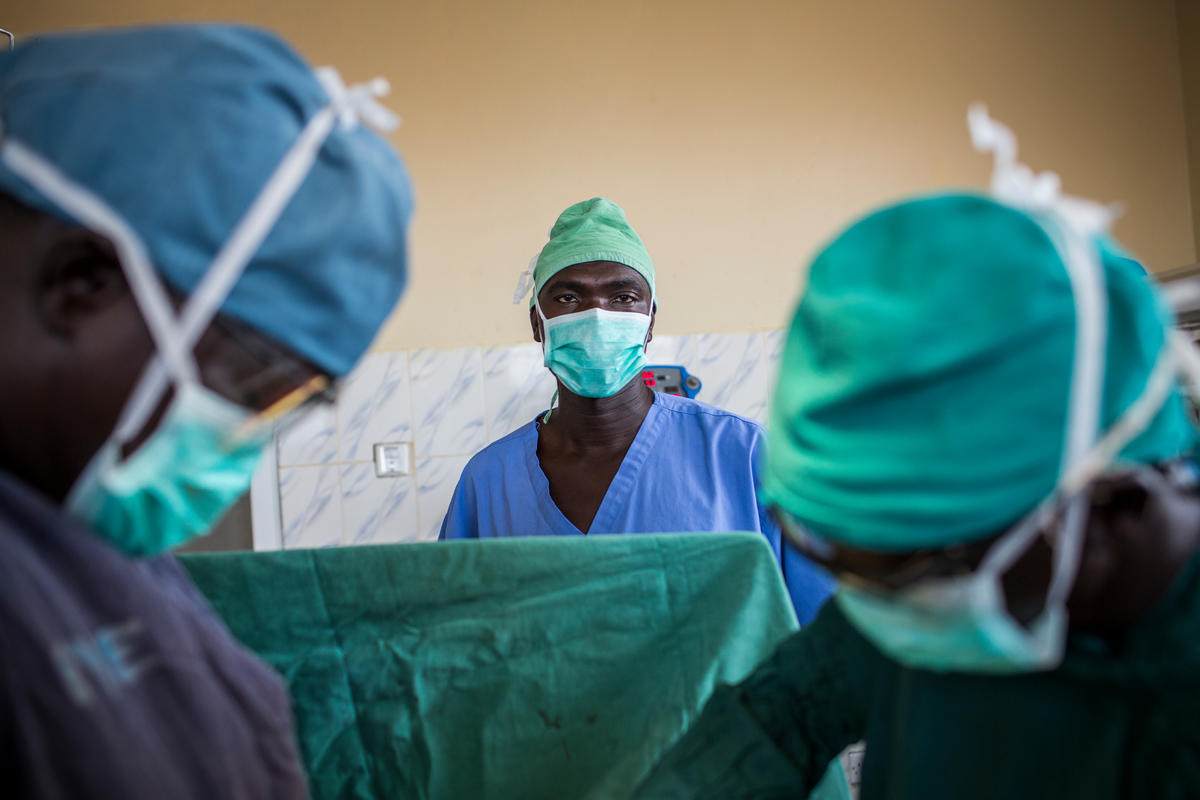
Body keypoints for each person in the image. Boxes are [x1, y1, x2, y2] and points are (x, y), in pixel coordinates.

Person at [632, 109, 1200, 799]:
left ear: (1113, 501)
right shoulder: (922, 584)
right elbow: (776, 716)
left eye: (902, 573)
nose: (878, 614)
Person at [0, 25, 413, 797]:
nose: (241, 442)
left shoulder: (85, 531)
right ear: (81, 281)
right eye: (252, 386)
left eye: (292, 403)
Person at [438, 197, 834, 621]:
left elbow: (825, 629)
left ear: (650, 322)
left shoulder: (745, 456)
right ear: (538, 323)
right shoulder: (489, 481)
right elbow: (450, 632)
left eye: (623, 296)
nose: (597, 316)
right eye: (568, 297)